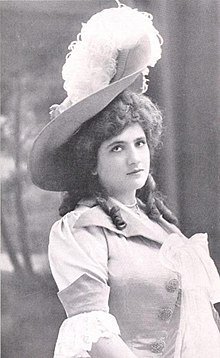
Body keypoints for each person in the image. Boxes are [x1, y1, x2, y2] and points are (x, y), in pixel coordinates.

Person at [30, 2, 220, 357]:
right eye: (117, 148)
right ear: (92, 163)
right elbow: (94, 333)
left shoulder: (163, 226)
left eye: (140, 143)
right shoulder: (81, 229)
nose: (135, 157)